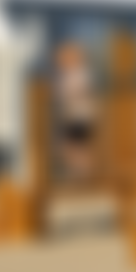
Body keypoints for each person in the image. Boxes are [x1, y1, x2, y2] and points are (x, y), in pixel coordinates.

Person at [54, 42, 97, 183]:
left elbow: (80, 91)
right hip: (71, 116)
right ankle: (77, 172)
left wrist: (69, 96)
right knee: (69, 145)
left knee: (79, 146)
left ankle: (83, 173)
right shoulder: (67, 75)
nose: (62, 61)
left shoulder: (81, 74)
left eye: (66, 58)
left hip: (80, 116)